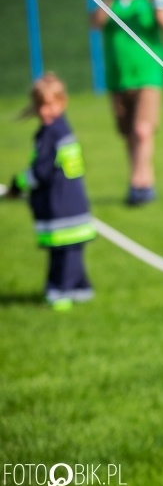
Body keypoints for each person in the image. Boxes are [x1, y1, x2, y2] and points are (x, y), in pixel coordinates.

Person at [91, 0, 163, 206]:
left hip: (148, 76)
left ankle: (138, 184)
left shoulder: (150, 1)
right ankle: (144, 181)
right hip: (118, 79)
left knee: (142, 131)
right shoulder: (110, 3)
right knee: (129, 134)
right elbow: (95, 23)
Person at [7, 73, 96, 311]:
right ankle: (80, 288)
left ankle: (59, 293)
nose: (44, 111)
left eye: (49, 105)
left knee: (62, 255)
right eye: (40, 105)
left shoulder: (49, 133)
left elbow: (41, 172)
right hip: (75, 203)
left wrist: (17, 183)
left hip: (60, 207)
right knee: (72, 252)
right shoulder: (63, 127)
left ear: (62, 102)